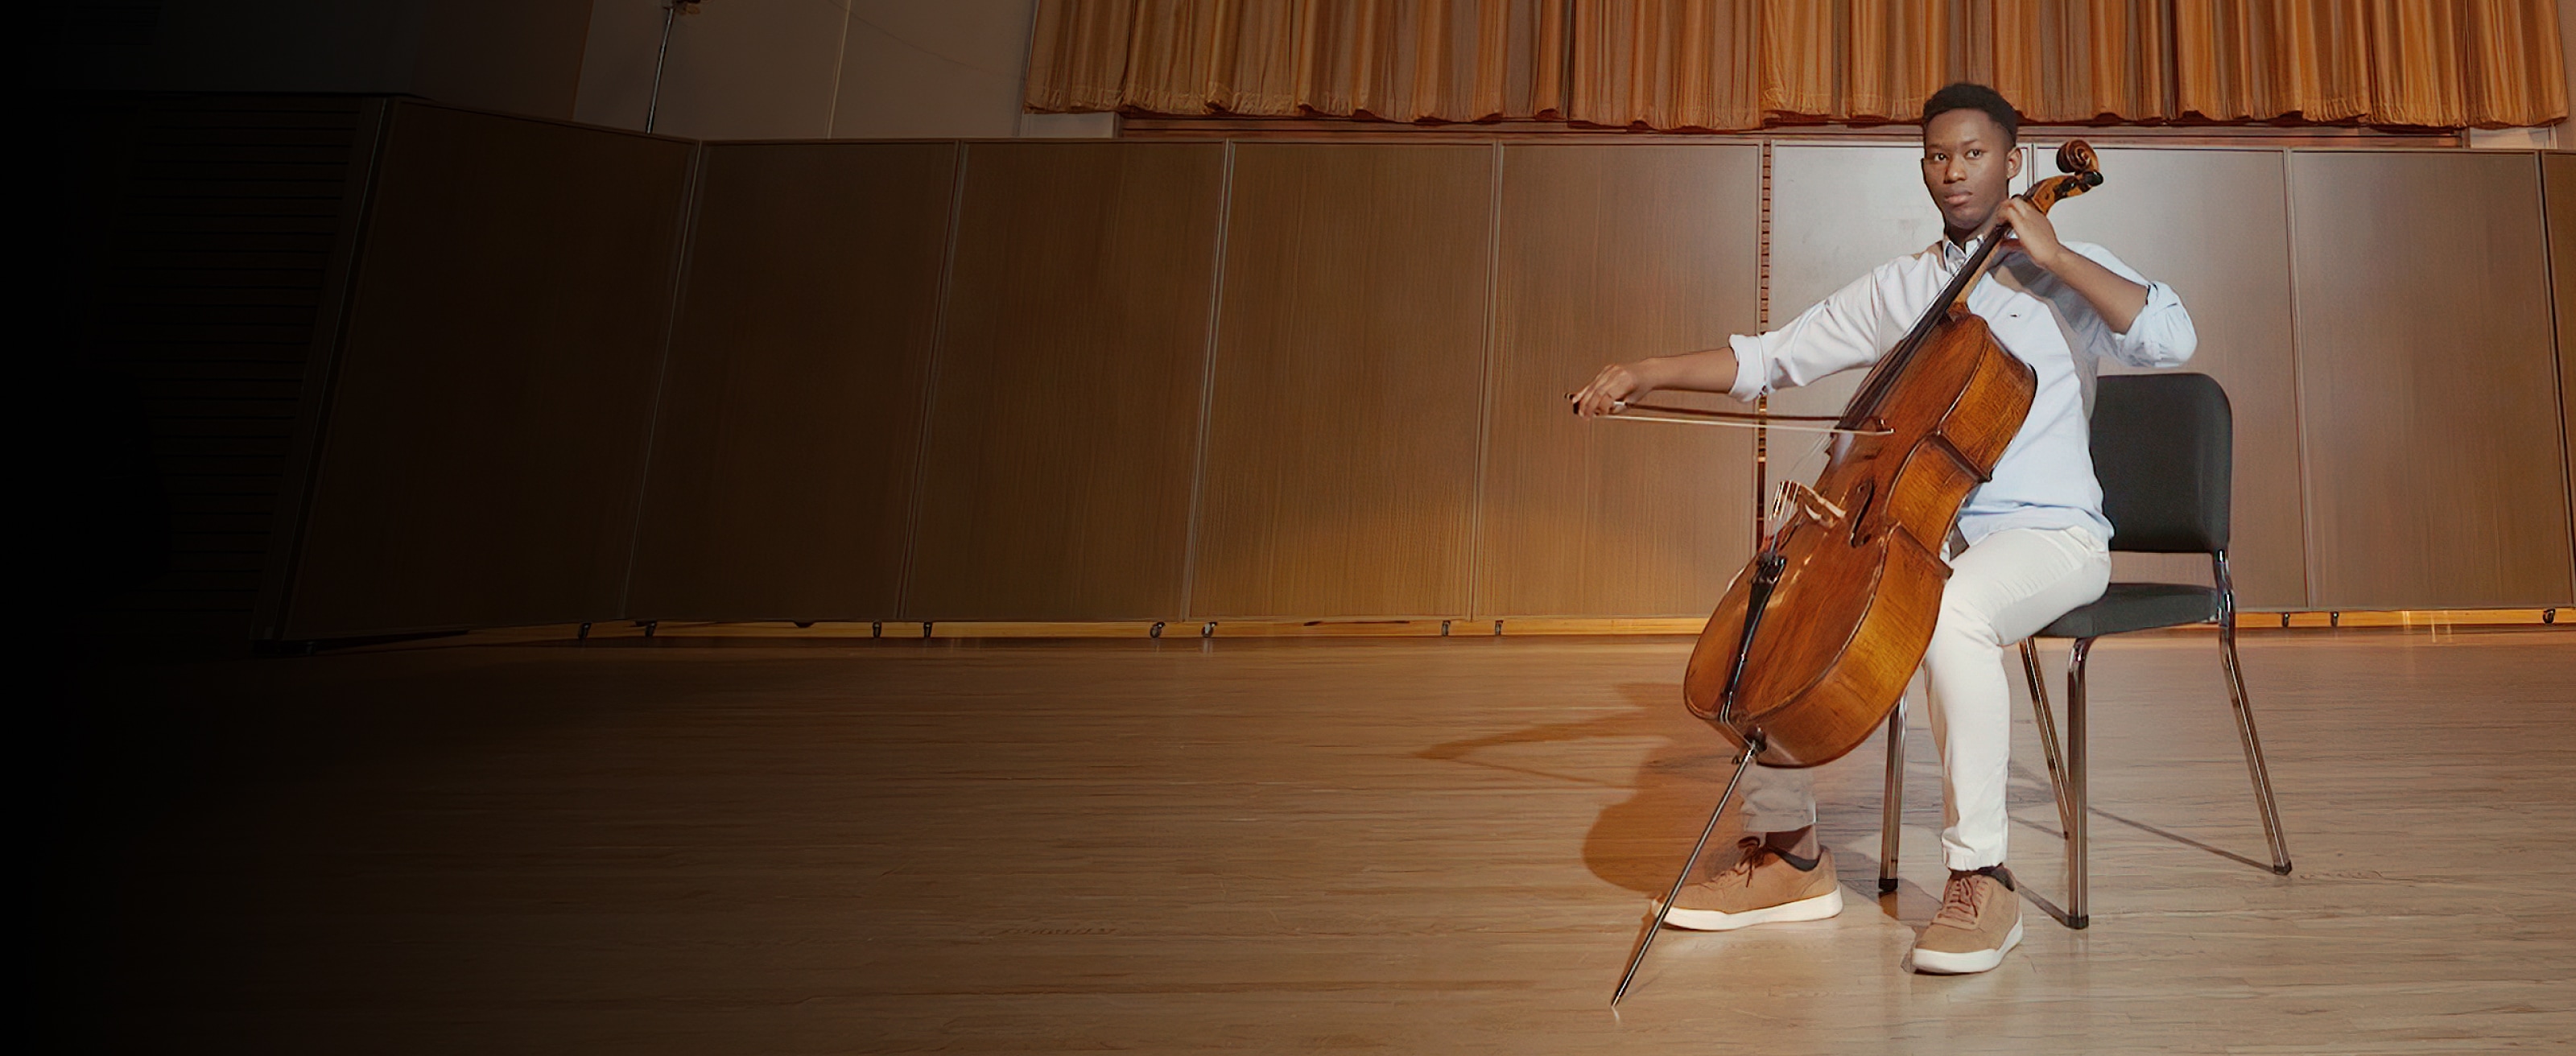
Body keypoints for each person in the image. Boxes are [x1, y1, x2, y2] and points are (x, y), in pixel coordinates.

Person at [1569, 82, 2197, 975]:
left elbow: (2171, 337)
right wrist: (1646, 368)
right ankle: (1787, 854)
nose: (1954, 172)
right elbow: (1772, 357)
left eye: (1973, 154)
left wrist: (2053, 256)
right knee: (1775, 616)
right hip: (1920, 532)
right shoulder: (1904, 286)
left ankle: (1983, 879)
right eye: (1938, 156)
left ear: (2012, 161)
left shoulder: (2065, 269)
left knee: (1951, 615)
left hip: (2050, 538)